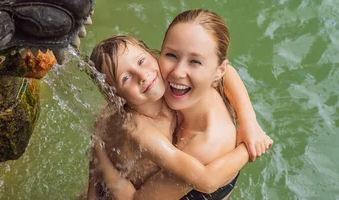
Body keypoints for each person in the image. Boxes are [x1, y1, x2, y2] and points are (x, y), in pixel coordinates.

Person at [87, 12, 272, 199]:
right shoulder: (154, 94)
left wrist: (250, 129)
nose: (177, 72)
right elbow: (205, 181)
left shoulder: (207, 141)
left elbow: (207, 181)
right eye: (172, 55)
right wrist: (99, 157)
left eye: (195, 61)